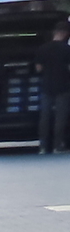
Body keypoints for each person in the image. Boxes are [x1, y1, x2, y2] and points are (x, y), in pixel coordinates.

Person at [39, 22, 70, 154]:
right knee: (60, 117)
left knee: (45, 117)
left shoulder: (43, 48)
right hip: (63, 86)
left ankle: (43, 146)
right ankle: (58, 145)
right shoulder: (67, 49)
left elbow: (39, 68)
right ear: (64, 33)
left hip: (46, 86)